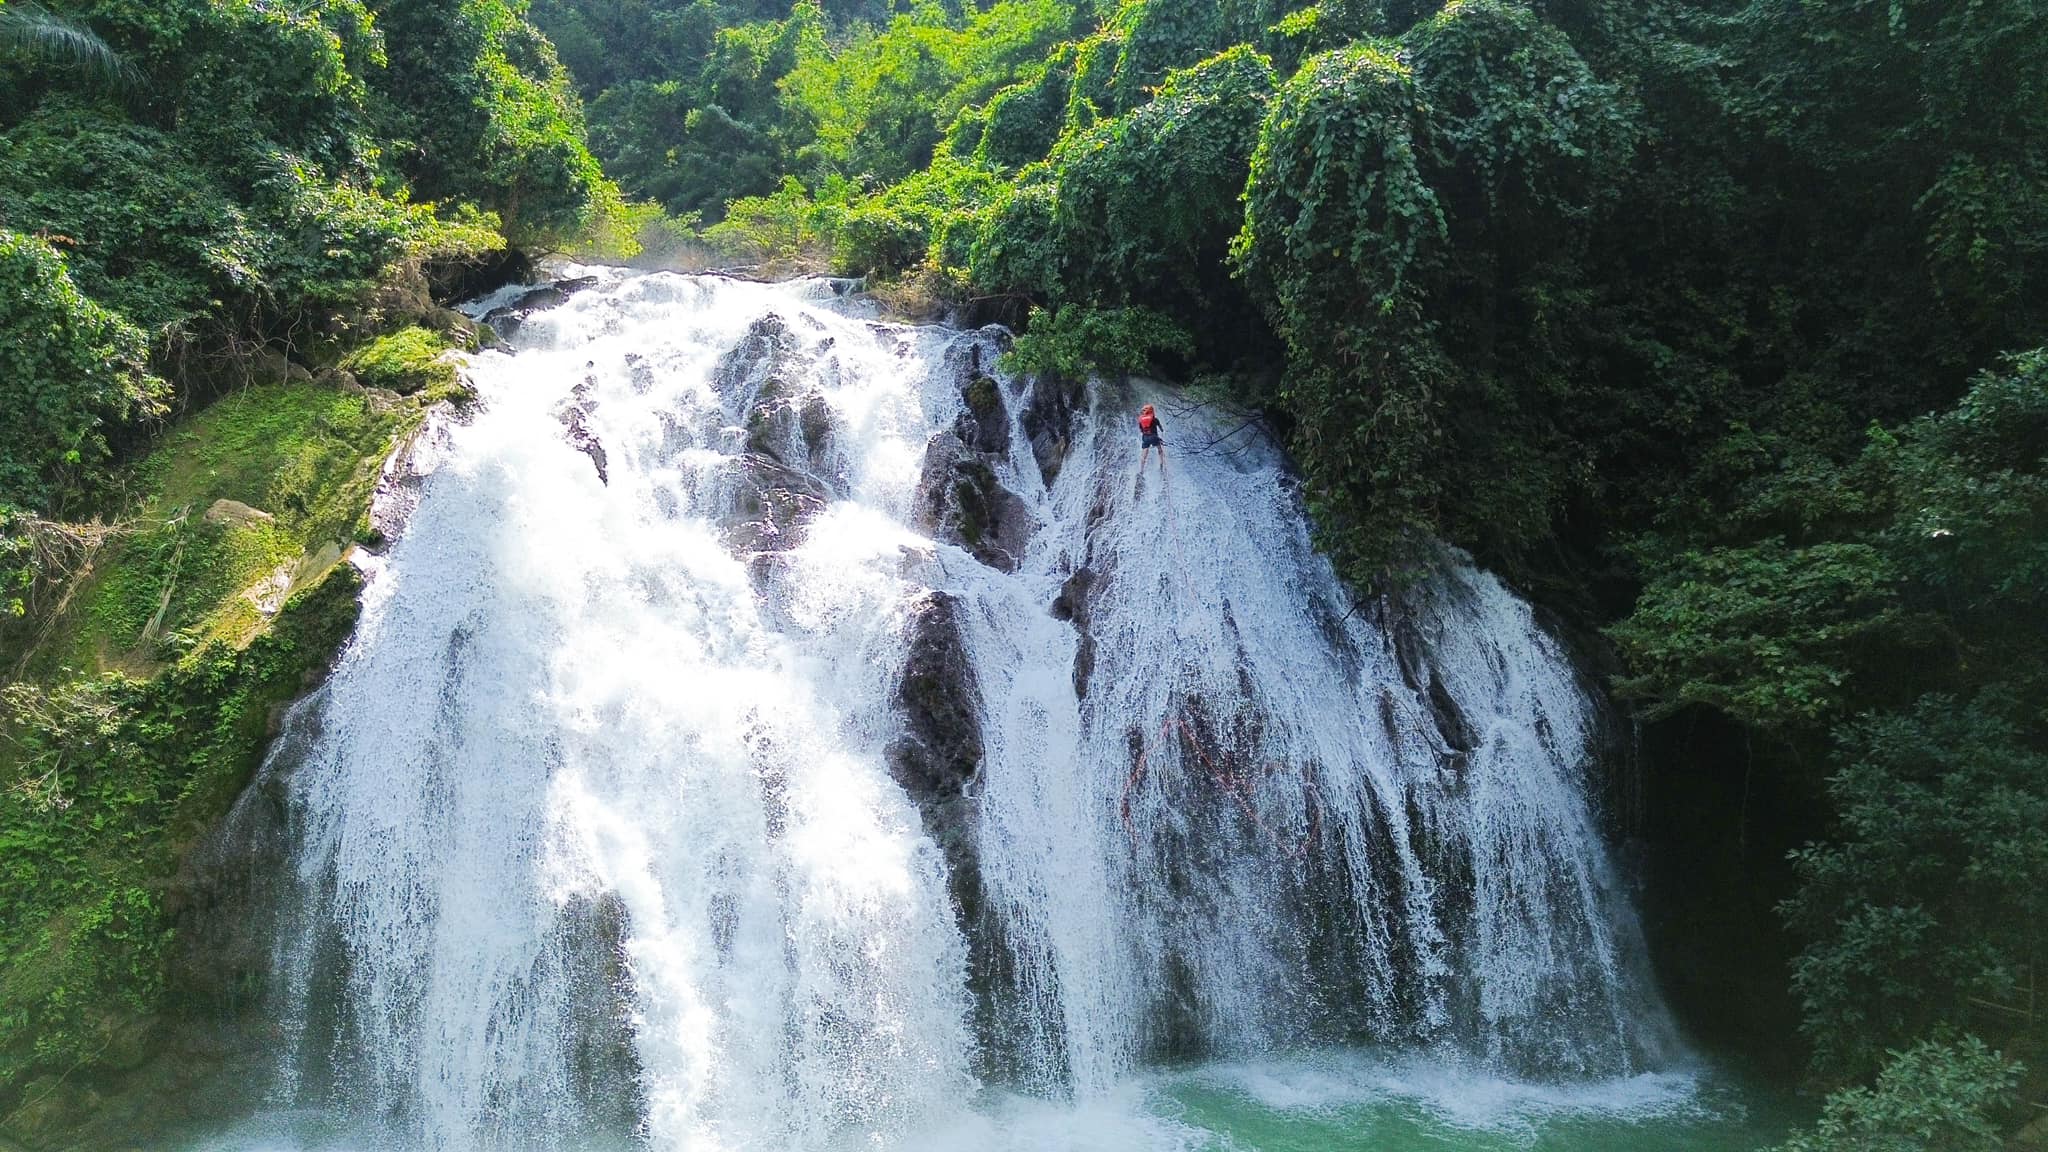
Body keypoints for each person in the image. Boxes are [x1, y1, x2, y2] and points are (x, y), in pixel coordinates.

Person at [1138, 404, 1166, 472]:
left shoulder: (1141, 420)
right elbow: (1161, 429)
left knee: (1144, 453)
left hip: (1145, 437)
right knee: (1160, 449)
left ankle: (1141, 469)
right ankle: (1161, 464)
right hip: (1154, 437)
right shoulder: (1155, 419)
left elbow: (1141, 430)